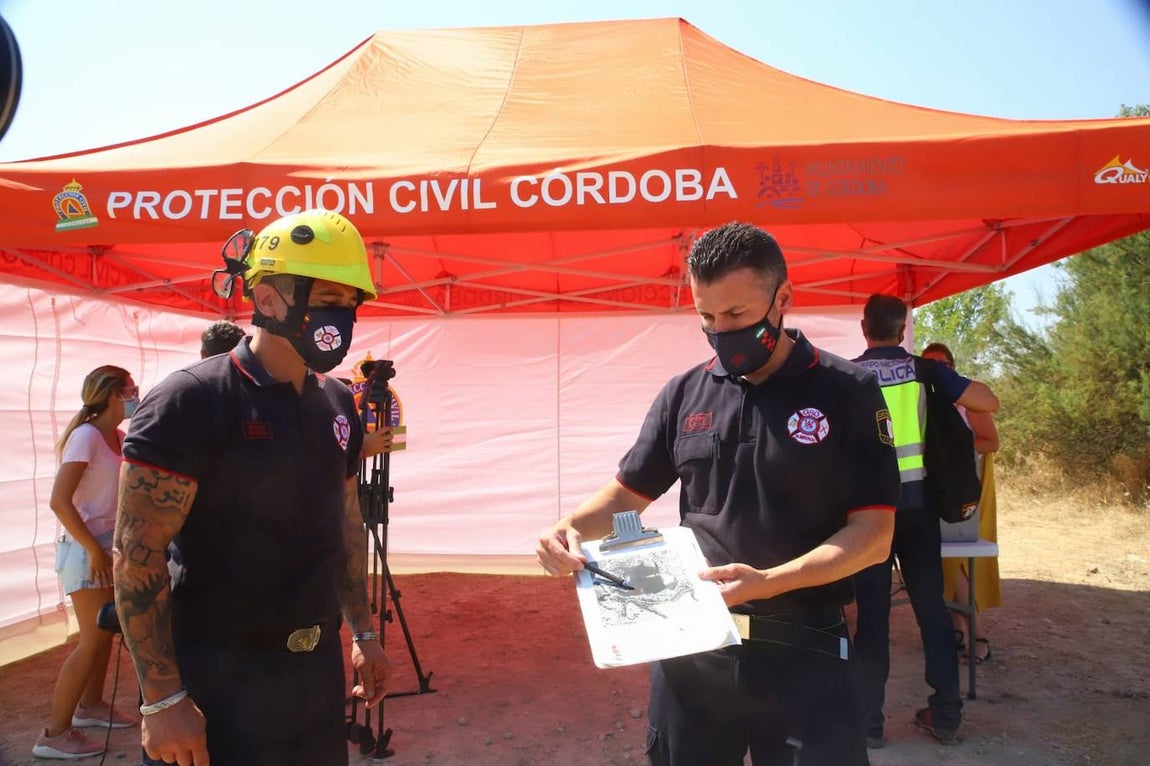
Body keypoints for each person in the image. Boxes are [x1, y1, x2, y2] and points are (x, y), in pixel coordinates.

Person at [537, 222, 900, 765]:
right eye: (706, 317)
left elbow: (874, 537)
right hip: (693, 649)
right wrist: (567, 528)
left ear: (783, 299)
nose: (720, 330)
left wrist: (772, 582)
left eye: (736, 316)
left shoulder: (846, 391)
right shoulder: (684, 393)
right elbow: (625, 496)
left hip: (806, 651)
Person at [113, 209, 392, 766]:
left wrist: (363, 633)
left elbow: (344, 525)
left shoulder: (338, 403)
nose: (338, 314)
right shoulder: (190, 401)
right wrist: (162, 699)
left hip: (313, 674)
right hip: (216, 677)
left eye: (349, 301)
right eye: (323, 295)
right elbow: (135, 557)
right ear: (266, 298)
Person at [851, 295, 1000, 748]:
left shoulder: (847, 375)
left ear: (864, 327)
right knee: (932, 612)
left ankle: (869, 726)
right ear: (902, 330)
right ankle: (947, 716)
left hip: (868, 515)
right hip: (917, 510)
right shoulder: (925, 370)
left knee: (872, 619)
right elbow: (988, 401)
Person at [33, 366, 140, 760]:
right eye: (131, 390)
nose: (135, 396)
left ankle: (91, 708)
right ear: (115, 394)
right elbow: (60, 501)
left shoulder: (117, 437)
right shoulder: (87, 437)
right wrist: (93, 550)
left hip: (103, 546)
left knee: (105, 633)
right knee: (91, 641)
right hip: (83, 549)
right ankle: (53, 734)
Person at [922, 342, 1001, 664]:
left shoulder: (968, 401)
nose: (938, 369)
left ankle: (978, 636)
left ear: (953, 367)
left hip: (963, 492)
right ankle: (955, 629)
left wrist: (951, 446)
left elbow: (990, 442)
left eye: (943, 363)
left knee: (957, 563)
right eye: (930, 364)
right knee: (941, 564)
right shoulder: (921, 401)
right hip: (932, 491)